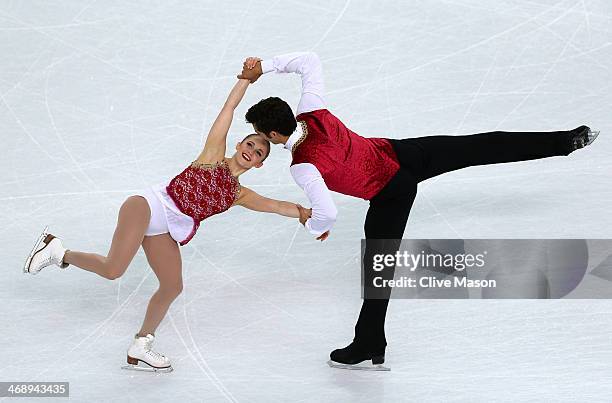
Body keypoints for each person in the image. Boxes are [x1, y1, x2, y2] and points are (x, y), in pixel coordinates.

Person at [236, 51, 600, 370]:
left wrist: (313, 225)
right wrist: (263, 68)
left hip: (390, 192)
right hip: (400, 154)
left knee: (378, 273)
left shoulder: (302, 165)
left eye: (260, 133)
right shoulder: (313, 112)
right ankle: (563, 142)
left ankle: (369, 343)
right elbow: (308, 61)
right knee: (475, 147)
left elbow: (328, 213)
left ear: (272, 133)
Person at [23, 78, 311, 373]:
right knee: (113, 269)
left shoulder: (239, 195)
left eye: (259, 152)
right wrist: (245, 81)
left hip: (164, 230)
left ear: (259, 164)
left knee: (172, 286)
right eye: (250, 144)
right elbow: (229, 107)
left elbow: (276, 206)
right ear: (239, 144)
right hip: (146, 206)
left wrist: (306, 213)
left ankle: (140, 345)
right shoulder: (212, 155)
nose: (252, 151)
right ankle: (58, 252)